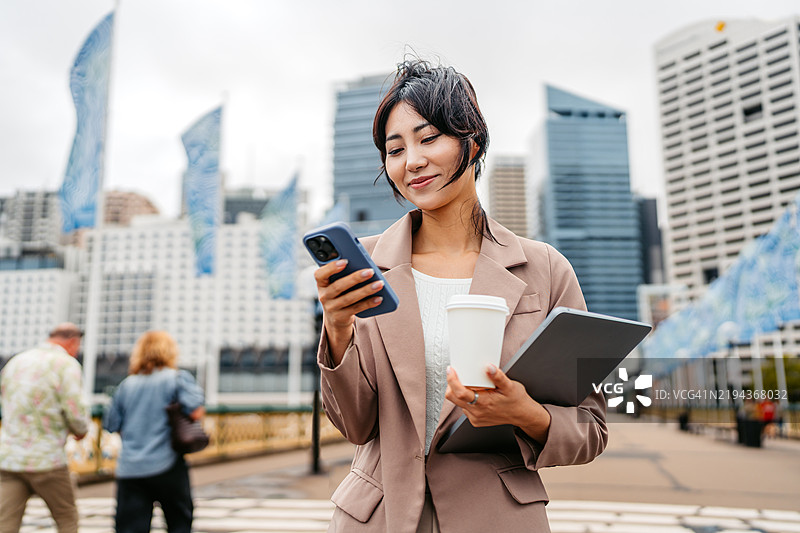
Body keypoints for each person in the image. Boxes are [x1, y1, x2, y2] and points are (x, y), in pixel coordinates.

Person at [314, 59, 607, 532]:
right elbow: (355, 425)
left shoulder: (545, 269)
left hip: (496, 516)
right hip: (378, 519)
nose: (411, 161)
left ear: (471, 141)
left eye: (429, 138)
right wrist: (337, 326)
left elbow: (591, 429)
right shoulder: (365, 266)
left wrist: (524, 414)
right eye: (395, 149)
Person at [103, 331, 204, 533]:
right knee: (179, 524)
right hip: (167, 463)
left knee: (130, 527)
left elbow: (112, 424)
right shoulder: (176, 378)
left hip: (131, 467)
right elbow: (195, 410)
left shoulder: (126, 385)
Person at [0, 323, 90, 533]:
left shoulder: (16, 362)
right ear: (72, 342)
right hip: (47, 460)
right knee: (66, 517)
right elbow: (75, 410)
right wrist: (80, 431)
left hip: (9, 459)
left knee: (5, 523)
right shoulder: (66, 364)